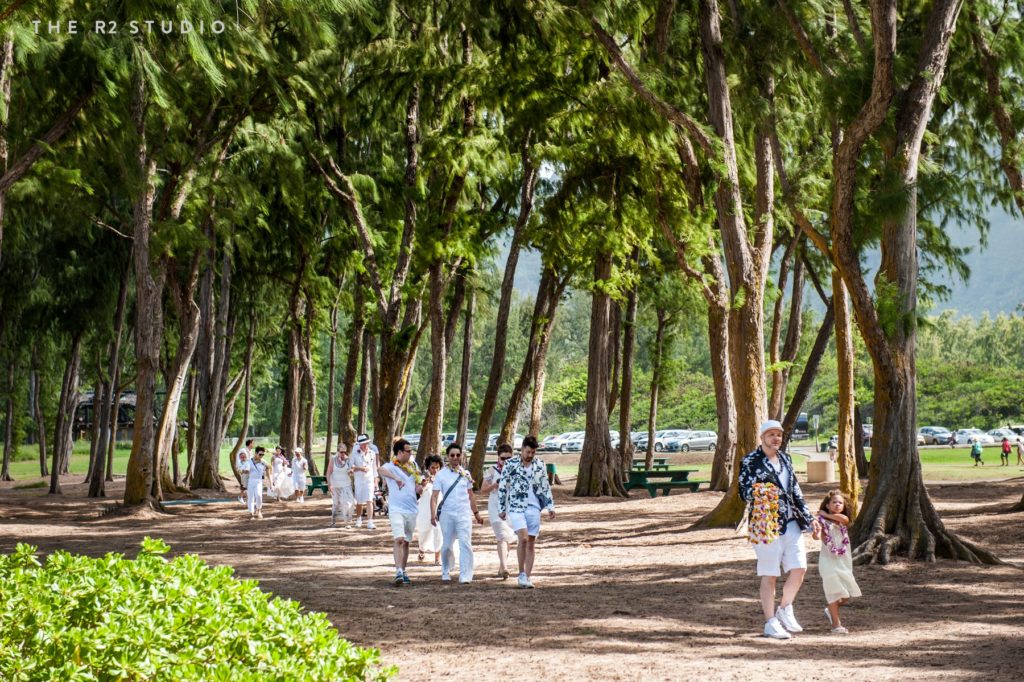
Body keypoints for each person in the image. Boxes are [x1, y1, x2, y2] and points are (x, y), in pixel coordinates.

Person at [738, 420, 820, 640]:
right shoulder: (750, 461)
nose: (776, 438)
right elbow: (743, 491)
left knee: (799, 568)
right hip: (766, 524)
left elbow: (795, 491)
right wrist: (763, 492)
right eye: (772, 435)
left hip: (792, 522)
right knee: (770, 574)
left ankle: (784, 608)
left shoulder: (785, 459)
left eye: (779, 435)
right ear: (763, 437)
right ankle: (770, 622)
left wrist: (810, 518)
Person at [497, 435, 555, 589]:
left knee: (531, 542)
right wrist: (501, 508)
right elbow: (503, 486)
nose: (530, 455)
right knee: (522, 538)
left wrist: (550, 506)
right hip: (516, 507)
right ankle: (521, 573)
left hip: (534, 507)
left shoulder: (539, 465)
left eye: (533, 453)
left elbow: (545, 486)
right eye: (528, 452)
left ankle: (527, 577)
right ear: (522, 449)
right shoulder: (510, 464)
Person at [431, 443, 483, 584]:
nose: (455, 458)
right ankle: (446, 569)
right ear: (447, 457)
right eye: (452, 455)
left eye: (458, 455)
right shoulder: (441, 475)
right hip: (447, 514)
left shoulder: (466, 474)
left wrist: (476, 514)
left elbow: (471, 495)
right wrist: (432, 513)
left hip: (463, 514)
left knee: (465, 543)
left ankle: (465, 574)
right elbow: (434, 496)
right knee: (447, 544)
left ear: (461, 456)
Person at [812, 490, 861, 634]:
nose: (838, 504)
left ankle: (830, 609)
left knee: (845, 596)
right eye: (834, 502)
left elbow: (844, 519)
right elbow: (817, 537)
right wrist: (816, 532)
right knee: (833, 592)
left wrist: (824, 514)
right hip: (828, 560)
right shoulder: (821, 522)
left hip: (843, 559)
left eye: (840, 502)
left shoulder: (842, 519)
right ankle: (836, 624)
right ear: (828, 505)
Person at [378, 439, 423, 585]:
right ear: (399, 453)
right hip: (396, 509)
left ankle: (403, 571)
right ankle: (397, 571)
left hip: (412, 508)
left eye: (411, 451)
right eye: (408, 451)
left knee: (406, 542)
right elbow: (380, 470)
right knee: (399, 539)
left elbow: (417, 483)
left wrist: (419, 488)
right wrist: (396, 478)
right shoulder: (391, 466)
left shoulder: (413, 465)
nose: (411, 453)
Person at [481, 443, 517, 579]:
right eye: (503, 458)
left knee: (508, 537)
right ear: (498, 458)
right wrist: (495, 485)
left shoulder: (517, 470)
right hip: (495, 506)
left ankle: (502, 566)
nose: (506, 461)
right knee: (501, 536)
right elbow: (483, 490)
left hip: (511, 507)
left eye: (509, 458)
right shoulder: (491, 470)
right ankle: (505, 567)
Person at [416, 454, 443, 565]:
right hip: (424, 510)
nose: (435, 470)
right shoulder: (423, 479)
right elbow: (418, 491)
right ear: (428, 468)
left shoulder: (442, 479)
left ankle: (437, 557)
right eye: (433, 467)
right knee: (424, 532)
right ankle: (422, 549)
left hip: (439, 509)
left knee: (439, 532)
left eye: (437, 467)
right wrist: (422, 486)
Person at [351, 434, 378, 529]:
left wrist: (376, 480)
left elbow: (374, 468)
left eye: (366, 443)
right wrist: (360, 468)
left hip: (369, 480)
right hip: (359, 480)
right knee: (359, 500)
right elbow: (351, 467)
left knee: (370, 499)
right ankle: (358, 519)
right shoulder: (355, 453)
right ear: (359, 445)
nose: (365, 445)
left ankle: (370, 521)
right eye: (363, 444)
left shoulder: (372, 453)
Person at [326, 444, 355, 527]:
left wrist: (351, 471)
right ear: (338, 451)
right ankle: (333, 521)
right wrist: (329, 484)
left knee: (348, 503)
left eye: (344, 452)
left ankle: (348, 522)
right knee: (336, 504)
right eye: (341, 452)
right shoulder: (333, 459)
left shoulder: (348, 459)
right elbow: (328, 473)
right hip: (335, 485)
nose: (343, 454)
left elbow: (352, 470)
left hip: (346, 484)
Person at [246, 447, 269, 520]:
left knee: (259, 495)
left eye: (263, 455)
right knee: (250, 497)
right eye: (260, 454)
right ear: (255, 453)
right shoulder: (249, 461)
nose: (261, 456)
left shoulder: (264, 462)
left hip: (259, 481)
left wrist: (270, 482)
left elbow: (268, 470)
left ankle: (259, 510)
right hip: (251, 481)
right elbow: (245, 470)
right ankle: (251, 513)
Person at [236, 439, 254, 504]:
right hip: (244, 471)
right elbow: (238, 460)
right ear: (250, 444)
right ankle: (240, 497)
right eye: (253, 443)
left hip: (250, 471)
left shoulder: (251, 451)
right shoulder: (243, 450)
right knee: (245, 485)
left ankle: (248, 499)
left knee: (249, 485)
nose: (253, 445)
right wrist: (240, 469)